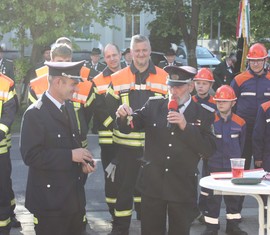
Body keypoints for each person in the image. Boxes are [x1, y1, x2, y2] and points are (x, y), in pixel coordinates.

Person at [115, 65, 216, 235]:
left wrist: (186, 127)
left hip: (182, 187)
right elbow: (131, 124)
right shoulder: (154, 105)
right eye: (170, 86)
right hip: (153, 186)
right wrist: (124, 116)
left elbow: (208, 150)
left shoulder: (202, 114)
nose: (173, 91)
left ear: (190, 87)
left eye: (179, 86)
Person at [20, 61, 96, 235]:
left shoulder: (68, 107)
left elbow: (72, 145)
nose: (76, 89)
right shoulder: (35, 113)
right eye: (73, 84)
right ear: (57, 82)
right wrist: (70, 156)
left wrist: (83, 163)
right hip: (50, 205)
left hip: (73, 201)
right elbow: (31, 156)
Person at [105, 35, 168, 235]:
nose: (141, 54)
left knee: (153, 194)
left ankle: (152, 230)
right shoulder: (118, 78)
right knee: (124, 194)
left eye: (144, 50)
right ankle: (120, 230)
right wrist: (118, 118)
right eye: (137, 50)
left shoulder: (163, 76)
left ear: (150, 51)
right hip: (126, 148)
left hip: (154, 148)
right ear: (130, 53)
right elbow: (107, 108)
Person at [201, 85, 247, 235]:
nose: (220, 104)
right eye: (218, 101)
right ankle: (211, 228)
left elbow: (243, 144)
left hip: (233, 168)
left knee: (233, 198)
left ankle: (233, 227)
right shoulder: (209, 120)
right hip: (213, 166)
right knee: (212, 199)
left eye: (224, 101)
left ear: (233, 103)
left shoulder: (240, 122)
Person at [91, 43, 122, 222]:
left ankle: (139, 214)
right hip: (109, 139)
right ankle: (113, 214)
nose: (112, 59)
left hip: (131, 139)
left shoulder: (130, 75)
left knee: (133, 178)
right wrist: (115, 126)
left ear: (120, 55)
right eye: (108, 56)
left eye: (114, 55)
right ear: (104, 58)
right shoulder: (98, 80)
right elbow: (99, 109)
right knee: (111, 177)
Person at [230, 43, 270, 171]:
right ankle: (241, 191)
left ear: (265, 60)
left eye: (259, 60)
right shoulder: (239, 80)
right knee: (242, 166)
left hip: (266, 132)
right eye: (253, 61)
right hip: (244, 130)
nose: (256, 64)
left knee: (265, 168)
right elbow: (230, 104)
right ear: (248, 61)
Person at [192, 68, 217, 223]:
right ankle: (192, 211)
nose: (201, 86)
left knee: (208, 178)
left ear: (210, 85)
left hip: (208, 145)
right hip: (191, 144)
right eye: (198, 83)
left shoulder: (215, 103)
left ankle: (205, 209)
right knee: (190, 178)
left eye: (204, 84)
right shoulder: (189, 100)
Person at [0, 73, 19, 235]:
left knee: (2, 187)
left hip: (0, 148)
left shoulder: (6, 84)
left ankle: (4, 225)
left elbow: (10, 112)